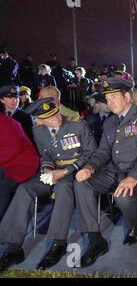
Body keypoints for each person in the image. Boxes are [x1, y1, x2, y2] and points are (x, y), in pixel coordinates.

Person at [0, 97, 97, 271]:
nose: (56, 118)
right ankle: (14, 246)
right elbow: (45, 155)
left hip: (74, 171)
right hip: (52, 171)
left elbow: (91, 153)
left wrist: (65, 172)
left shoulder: (77, 125)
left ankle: (58, 242)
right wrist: (46, 170)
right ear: (40, 120)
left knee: (62, 188)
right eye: (50, 118)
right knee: (25, 189)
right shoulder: (38, 131)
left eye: (56, 113)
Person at [74, 78, 137, 268]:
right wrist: (90, 167)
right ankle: (96, 240)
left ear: (127, 96)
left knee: (123, 196)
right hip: (114, 170)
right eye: (107, 98)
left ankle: (134, 223)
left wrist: (133, 176)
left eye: (114, 97)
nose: (110, 102)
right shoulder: (110, 122)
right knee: (81, 183)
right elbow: (103, 151)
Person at [0, 103, 39, 222]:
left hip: (22, 165)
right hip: (6, 163)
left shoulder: (5, 122)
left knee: (2, 187)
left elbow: (14, 147)